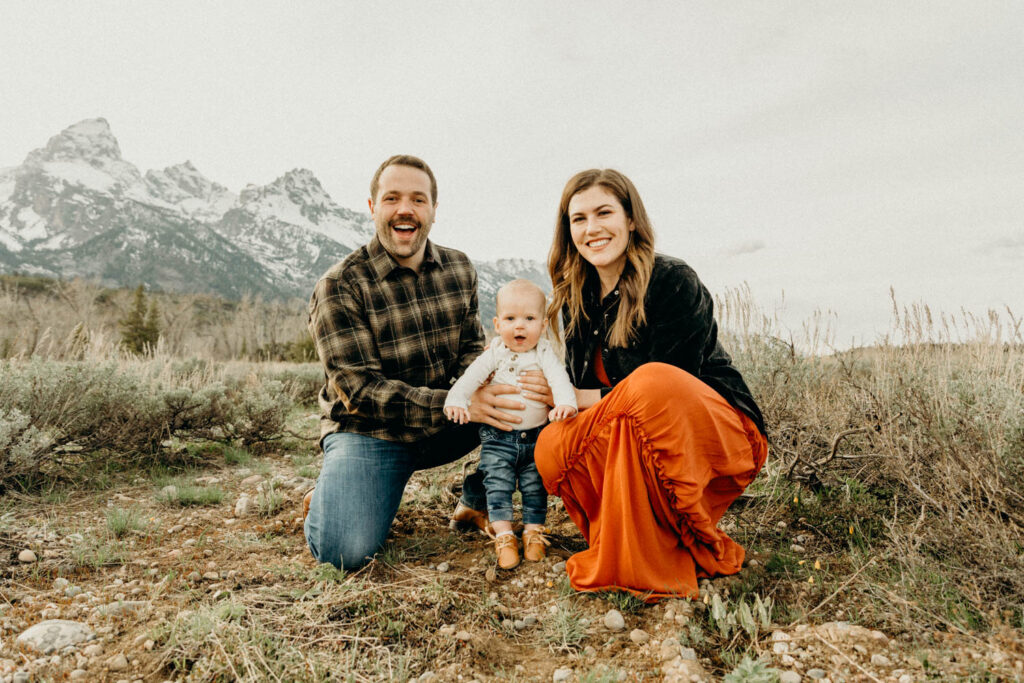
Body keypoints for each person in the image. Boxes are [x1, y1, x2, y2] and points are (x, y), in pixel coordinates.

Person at [303, 155, 550, 570]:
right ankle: (333, 494)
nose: (405, 209)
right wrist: (458, 402)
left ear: (433, 210)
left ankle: (476, 499)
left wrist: (504, 385)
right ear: (372, 208)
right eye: (392, 198)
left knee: (524, 399)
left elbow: (473, 351)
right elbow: (360, 392)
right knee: (344, 551)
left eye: (418, 199)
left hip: (445, 422)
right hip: (370, 431)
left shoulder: (458, 269)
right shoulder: (340, 286)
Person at [534, 169, 768, 599]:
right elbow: (593, 404)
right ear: (568, 232)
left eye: (604, 213)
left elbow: (674, 384)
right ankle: (633, 536)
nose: (592, 228)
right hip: (630, 428)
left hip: (714, 429)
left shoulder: (672, 280)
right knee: (551, 443)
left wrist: (582, 398)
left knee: (650, 384)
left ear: (631, 221)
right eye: (578, 219)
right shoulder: (577, 296)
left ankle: (661, 541)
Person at [444, 279, 577, 568]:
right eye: (510, 319)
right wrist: (457, 400)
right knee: (498, 484)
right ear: (497, 324)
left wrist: (565, 402)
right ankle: (504, 536)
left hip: (536, 437)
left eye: (529, 319)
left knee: (534, 485)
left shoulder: (544, 353)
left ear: (542, 325)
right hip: (498, 437)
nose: (519, 327)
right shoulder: (495, 353)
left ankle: (533, 533)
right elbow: (471, 378)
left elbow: (558, 379)